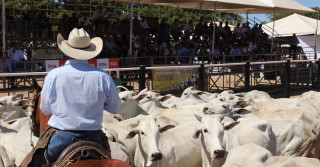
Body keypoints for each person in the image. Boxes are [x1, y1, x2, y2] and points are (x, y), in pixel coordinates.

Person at [22, 28, 121, 167]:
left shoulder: (54, 75)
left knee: (32, 163)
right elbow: (115, 108)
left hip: (62, 137)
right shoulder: (103, 76)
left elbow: (45, 109)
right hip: (95, 138)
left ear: (66, 50)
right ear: (90, 51)